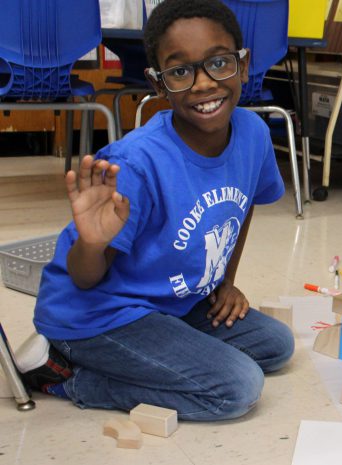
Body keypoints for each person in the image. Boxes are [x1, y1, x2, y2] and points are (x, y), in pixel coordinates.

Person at [16, 0, 294, 421]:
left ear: (243, 64)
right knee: (237, 387)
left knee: (277, 345)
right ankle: (63, 374)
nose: (203, 84)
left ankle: (159, 354)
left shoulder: (253, 133)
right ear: (159, 84)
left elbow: (243, 206)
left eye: (218, 63)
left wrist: (226, 281)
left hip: (173, 304)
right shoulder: (135, 163)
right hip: (97, 315)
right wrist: (92, 242)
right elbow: (84, 278)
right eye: (180, 71)